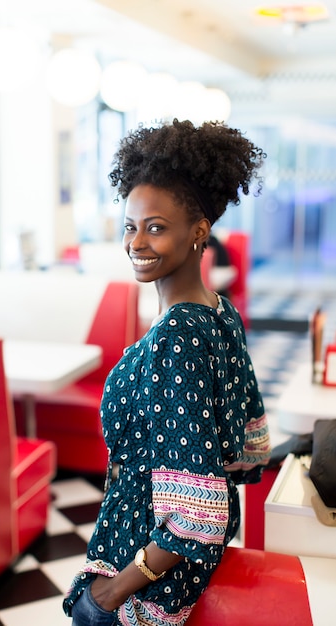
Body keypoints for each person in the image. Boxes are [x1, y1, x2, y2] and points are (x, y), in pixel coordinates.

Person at [63, 119, 271, 626]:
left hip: (147, 561)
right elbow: (250, 449)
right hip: (182, 549)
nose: (136, 242)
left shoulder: (175, 338)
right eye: (130, 226)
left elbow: (197, 513)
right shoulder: (220, 311)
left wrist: (113, 591)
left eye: (155, 227)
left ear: (199, 231)